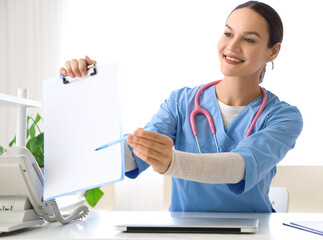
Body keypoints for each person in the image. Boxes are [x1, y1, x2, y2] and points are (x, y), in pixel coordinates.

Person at [59, 1, 303, 213]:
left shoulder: (283, 117)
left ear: (273, 51)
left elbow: (240, 166)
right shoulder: (181, 103)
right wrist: (87, 92)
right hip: (183, 229)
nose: (232, 47)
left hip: (253, 232)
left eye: (249, 39)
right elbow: (133, 156)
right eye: (228, 34)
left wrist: (171, 162)